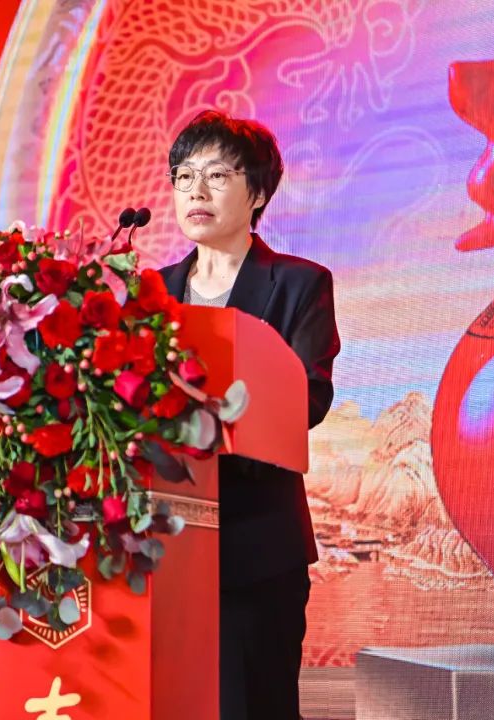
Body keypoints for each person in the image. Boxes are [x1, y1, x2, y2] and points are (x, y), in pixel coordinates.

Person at [159, 110, 341, 720]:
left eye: (217, 175)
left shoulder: (298, 284)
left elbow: (308, 396)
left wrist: (205, 413)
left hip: (254, 548)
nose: (197, 191)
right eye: (185, 177)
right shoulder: (147, 293)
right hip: (161, 550)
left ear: (258, 193)